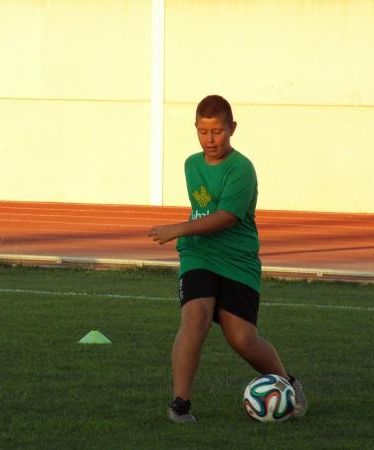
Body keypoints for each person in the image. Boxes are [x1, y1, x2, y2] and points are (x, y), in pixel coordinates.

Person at [148, 95, 307, 423]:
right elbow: (203, 208)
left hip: (237, 260)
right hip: (198, 253)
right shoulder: (191, 164)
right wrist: (187, 235)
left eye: (217, 132)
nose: (210, 140)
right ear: (195, 129)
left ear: (232, 129)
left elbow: (226, 218)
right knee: (196, 318)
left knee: (243, 339)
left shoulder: (242, 168)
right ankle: (180, 404)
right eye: (203, 132)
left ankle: (287, 386)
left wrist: (178, 227)